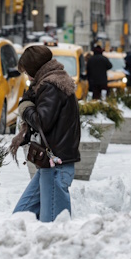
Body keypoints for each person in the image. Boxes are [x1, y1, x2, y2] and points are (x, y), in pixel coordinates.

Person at [10, 45, 80, 221]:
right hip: (50, 163)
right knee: (20, 218)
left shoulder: (51, 85)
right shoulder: (53, 81)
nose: (27, 76)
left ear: (34, 69)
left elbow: (43, 122)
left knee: (52, 225)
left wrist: (25, 108)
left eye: (27, 72)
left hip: (56, 164)